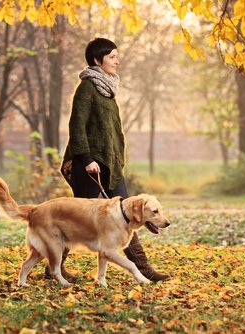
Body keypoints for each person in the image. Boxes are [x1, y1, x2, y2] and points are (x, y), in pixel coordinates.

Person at [53, 37, 170, 283]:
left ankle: (143, 267)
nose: (117, 61)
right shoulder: (87, 88)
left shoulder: (108, 88)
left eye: (117, 56)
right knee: (77, 217)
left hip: (110, 165)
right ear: (98, 60)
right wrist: (85, 158)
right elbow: (77, 127)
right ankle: (54, 268)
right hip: (89, 166)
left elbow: (110, 132)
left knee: (128, 211)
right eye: (112, 57)